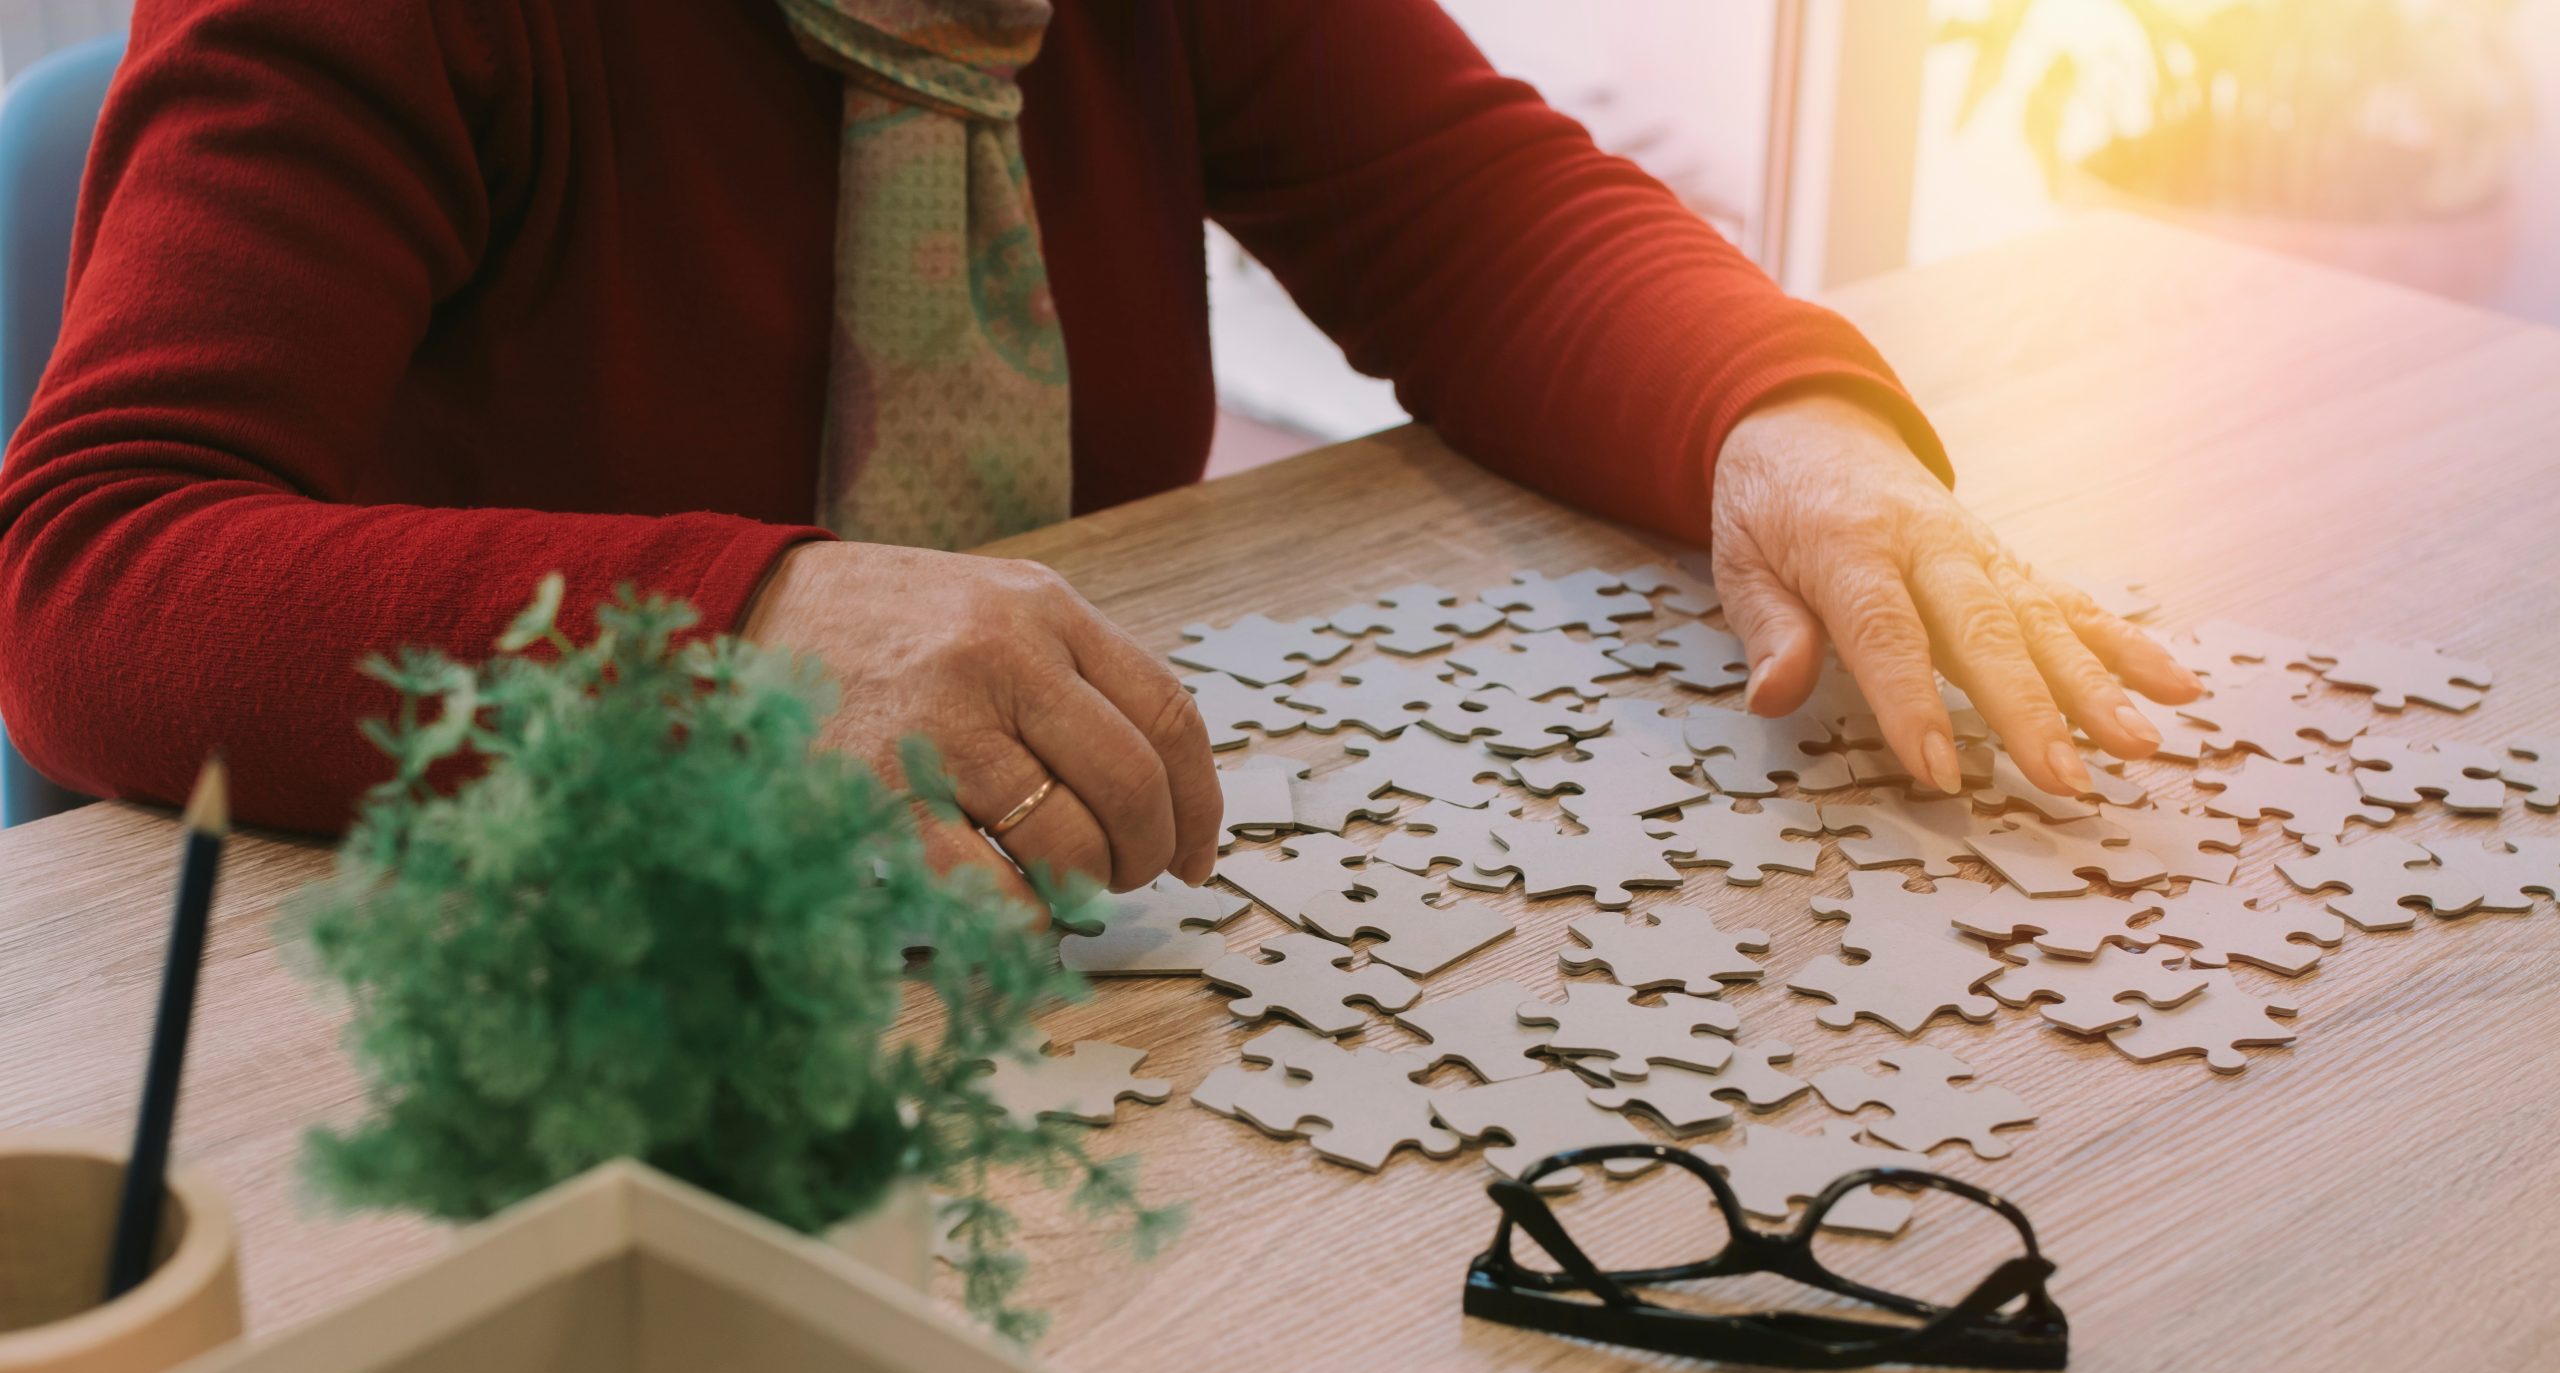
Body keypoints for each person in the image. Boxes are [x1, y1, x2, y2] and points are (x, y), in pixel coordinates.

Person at [0, 0, 2198, 906]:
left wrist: (1790, 425)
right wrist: (741, 624)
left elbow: (1478, 209)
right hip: (545, 964)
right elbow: (89, 576)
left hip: (1048, 932)